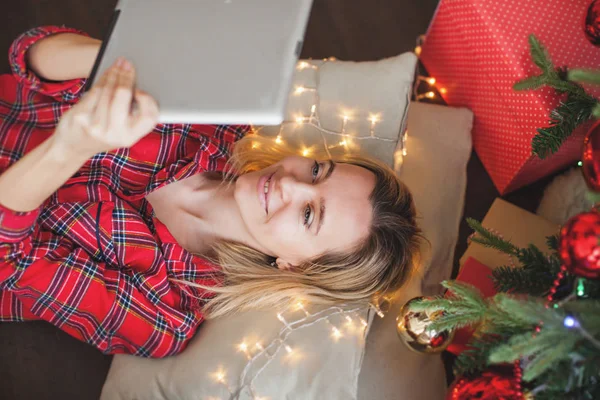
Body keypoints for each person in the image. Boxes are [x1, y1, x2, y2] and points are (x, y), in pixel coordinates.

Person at [0, 26, 421, 358]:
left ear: (294, 267)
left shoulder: (163, 315)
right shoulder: (215, 117)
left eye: (309, 214)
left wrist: (71, 148)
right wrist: (114, 64)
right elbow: (28, 53)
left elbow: (8, 259)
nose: (290, 183)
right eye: (316, 170)